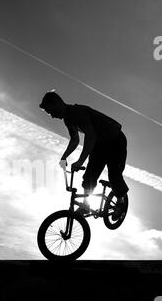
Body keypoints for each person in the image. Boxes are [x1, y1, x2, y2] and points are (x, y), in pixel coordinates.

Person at [39, 90, 129, 219]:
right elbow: (75, 140)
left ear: (57, 104)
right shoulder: (68, 120)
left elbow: (90, 135)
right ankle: (86, 205)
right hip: (100, 143)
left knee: (114, 175)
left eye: (51, 111)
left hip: (115, 140)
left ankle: (120, 202)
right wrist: (64, 157)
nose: (52, 116)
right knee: (89, 176)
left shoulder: (77, 112)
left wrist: (80, 161)